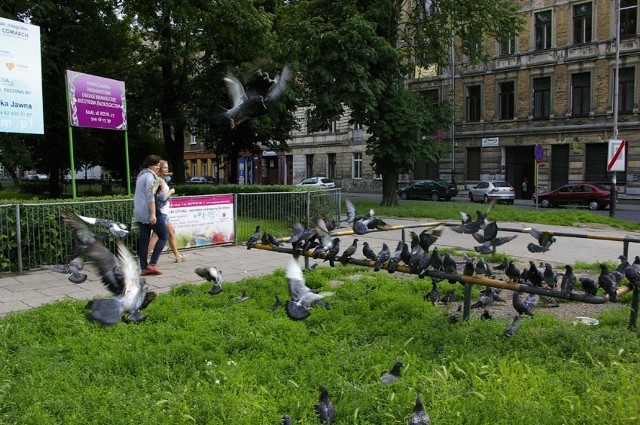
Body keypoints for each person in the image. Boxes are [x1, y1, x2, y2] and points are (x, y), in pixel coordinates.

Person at [133, 155, 168, 276]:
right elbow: (150, 197)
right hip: (149, 212)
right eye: (155, 165)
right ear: (149, 165)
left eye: (158, 165)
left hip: (140, 213)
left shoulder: (141, 175)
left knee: (144, 240)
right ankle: (152, 264)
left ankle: (143, 268)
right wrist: (153, 214)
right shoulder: (150, 177)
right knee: (164, 236)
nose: (157, 167)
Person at [148, 160, 187, 263]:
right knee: (155, 236)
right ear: (160, 169)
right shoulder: (159, 181)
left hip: (164, 213)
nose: (167, 169)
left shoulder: (163, 180)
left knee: (171, 232)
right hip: (161, 212)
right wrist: (171, 191)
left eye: (167, 167)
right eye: (165, 167)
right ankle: (144, 259)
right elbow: (161, 197)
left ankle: (177, 256)